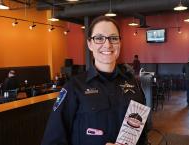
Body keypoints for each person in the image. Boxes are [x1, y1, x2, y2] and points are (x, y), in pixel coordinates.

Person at [41, 16, 147, 145]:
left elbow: (142, 136)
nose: (107, 44)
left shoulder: (134, 84)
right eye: (99, 38)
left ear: (120, 43)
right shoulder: (73, 88)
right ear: (90, 44)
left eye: (113, 38)